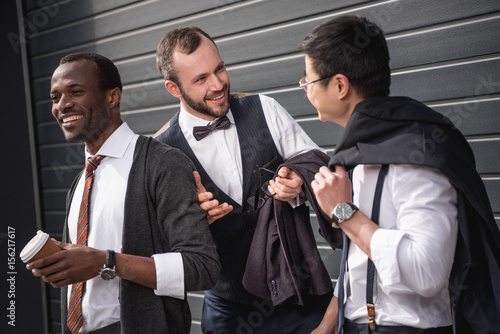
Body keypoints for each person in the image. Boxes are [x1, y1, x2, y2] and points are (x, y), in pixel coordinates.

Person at [301, 15, 500, 334]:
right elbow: (362, 260)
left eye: (307, 81)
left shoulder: (415, 155)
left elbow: (427, 272)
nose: (305, 90)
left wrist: (346, 213)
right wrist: (327, 325)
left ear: (339, 85)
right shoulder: (359, 150)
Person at [154, 26, 334, 333]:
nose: (218, 84)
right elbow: (156, 247)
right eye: (200, 79)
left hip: (303, 298)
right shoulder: (161, 151)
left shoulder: (265, 108)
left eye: (220, 68)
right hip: (229, 315)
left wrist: (300, 182)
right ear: (174, 88)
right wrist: (191, 223)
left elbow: (321, 169)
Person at [26, 52, 220, 334]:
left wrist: (104, 261)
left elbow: (201, 268)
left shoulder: (162, 163)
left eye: (76, 92)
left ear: (113, 97)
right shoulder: (79, 182)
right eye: (55, 98)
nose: (62, 105)